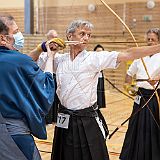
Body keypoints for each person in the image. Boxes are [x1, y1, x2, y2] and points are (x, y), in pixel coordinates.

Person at [29, 20, 160, 160]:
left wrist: (158, 48)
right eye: (82, 34)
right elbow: (29, 61)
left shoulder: (94, 58)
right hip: (64, 118)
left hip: (87, 119)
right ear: (69, 36)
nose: (86, 38)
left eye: (89, 35)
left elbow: (127, 53)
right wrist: (42, 47)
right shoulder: (59, 60)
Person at [0, 14, 64, 160]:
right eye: (15, 32)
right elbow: (46, 86)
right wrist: (50, 57)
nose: (19, 35)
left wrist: (41, 48)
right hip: (14, 135)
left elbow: (22, 62)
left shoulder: (16, 60)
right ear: (3, 38)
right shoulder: (18, 61)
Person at [120, 28, 160, 160]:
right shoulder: (140, 56)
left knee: (153, 126)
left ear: (158, 41)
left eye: (152, 40)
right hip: (140, 95)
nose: (149, 42)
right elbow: (129, 74)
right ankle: (133, 154)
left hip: (155, 96)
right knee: (135, 124)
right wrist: (127, 85)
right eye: (148, 39)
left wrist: (157, 78)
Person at [37, 29, 60, 124]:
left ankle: (54, 118)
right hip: (45, 80)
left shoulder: (59, 55)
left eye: (56, 37)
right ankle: (46, 119)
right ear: (48, 38)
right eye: (53, 37)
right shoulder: (42, 55)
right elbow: (40, 67)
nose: (55, 39)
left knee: (55, 100)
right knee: (46, 99)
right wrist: (50, 55)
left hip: (56, 79)